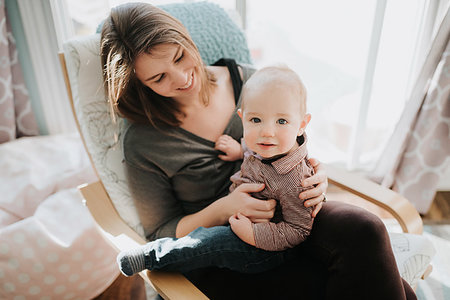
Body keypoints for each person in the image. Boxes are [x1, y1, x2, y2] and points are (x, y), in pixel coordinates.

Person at [100, 3, 417, 299]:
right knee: (364, 282)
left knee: (365, 229)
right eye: (159, 77)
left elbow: (292, 134)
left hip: (289, 215)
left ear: (186, 39)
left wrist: (315, 175)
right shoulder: (144, 142)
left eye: (180, 56)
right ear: (139, 85)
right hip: (225, 248)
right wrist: (225, 208)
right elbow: (162, 230)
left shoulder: (251, 82)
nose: (182, 78)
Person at [116, 66, 315, 275]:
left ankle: (152, 257)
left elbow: (299, 230)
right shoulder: (264, 146)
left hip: (264, 248)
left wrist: (253, 234)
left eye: (282, 121)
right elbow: (257, 153)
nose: (266, 132)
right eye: (255, 120)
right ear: (242, 117)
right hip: (236, 222)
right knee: (211, 237)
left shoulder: (297, 181)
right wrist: (240, 150)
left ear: (302, 125)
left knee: (210, 243)